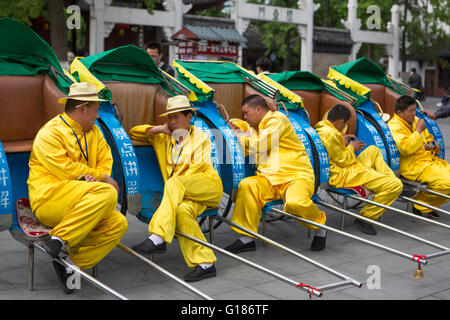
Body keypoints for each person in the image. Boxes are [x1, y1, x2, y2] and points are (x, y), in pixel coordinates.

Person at [28, 82, 128, 294]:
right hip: (50, 199)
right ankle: (59, 238)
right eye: (96, 108)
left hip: (88, 198)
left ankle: (68, 261)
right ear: (83, 108)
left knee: (119, 223)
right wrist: (99, 178)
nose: (98, 113)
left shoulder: (95, 131)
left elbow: (105, 160)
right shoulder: (50, 133)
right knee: (108, 192)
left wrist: (98, 178)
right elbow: (65, 169)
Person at [130, 95, 223, 282]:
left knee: (174, 182)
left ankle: (158, 236)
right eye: (169, 118)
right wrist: (158, 129)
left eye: (177, 117)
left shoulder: (201, 137)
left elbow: (196, 169)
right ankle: (205, 264)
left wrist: (179, 191)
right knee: (181, 211)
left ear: (189, 117)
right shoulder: (163, 138)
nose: (172, 122)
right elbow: (133, 133)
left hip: (206, 185)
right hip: (182, 195)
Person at [224, 94, 328, 253]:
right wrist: (235, 130)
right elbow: (246, 146)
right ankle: (246, 238)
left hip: (295, 176)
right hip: (269, 179)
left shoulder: (277, 120)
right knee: (247, 185)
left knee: (296, 203)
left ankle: (320, 228)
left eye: (246, 113)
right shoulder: (254, 129)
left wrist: (240, 136)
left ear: (259, 109)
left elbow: (261, 144)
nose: (244, 117)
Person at [314, 104, 403, 235]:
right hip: (343, 174)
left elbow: (332, 149)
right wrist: (351, 147)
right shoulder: (331, 134)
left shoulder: (323, 128)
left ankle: (387, 180)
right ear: (340, 121)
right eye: (344, 124)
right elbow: (344, 161)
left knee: (373, 150)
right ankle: (366, 217)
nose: (343, 128)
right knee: (396, 186)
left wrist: (342, 139)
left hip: (347, 168)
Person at [388, 95, 450, 217]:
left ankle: (427, 204)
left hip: (429, 161)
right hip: (413, 166)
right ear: (400, 113)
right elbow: (405, 149)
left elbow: (429, 138)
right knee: (447, 183)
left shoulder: (415, 120)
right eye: (411, 111)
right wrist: (417, 132)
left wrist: (431, 144)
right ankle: (420, 203)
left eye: (415, 110)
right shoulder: (394, 126)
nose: (414, 113)